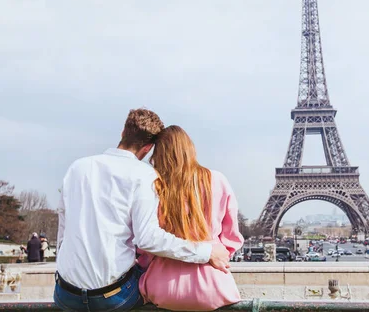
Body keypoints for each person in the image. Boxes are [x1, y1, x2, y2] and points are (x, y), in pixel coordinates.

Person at [54, 109, 230, 312]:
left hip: (65, 294)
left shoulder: (77, 167)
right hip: (112, 297)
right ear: (148, 148)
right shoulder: (144, 175)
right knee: (150, 278)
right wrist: (206, 251)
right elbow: (149, 240)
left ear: (123, 133)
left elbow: (63, 230)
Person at [138, 125, 244, 311]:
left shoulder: (154, 185)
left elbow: (146, 243)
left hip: (162, 287)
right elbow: (232, 237)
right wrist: (215, 255)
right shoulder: (217, 179)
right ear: (190, 148)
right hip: (211, 285)